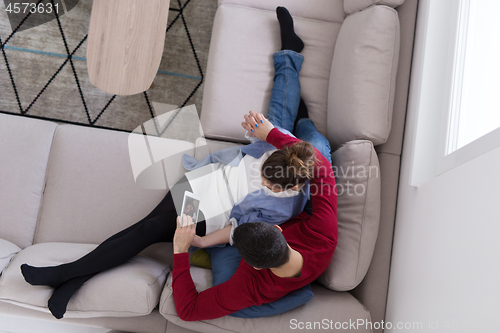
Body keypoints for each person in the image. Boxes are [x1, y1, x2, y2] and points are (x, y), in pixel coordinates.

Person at [19, 7, 324, 320]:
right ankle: (73, 280)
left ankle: (65, 276)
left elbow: (244, 229)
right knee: (144, 227)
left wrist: (203, 241)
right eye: (263, 172)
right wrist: (256, 127)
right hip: (200, 184)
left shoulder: (286, 208)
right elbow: (261, 135)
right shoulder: (276, 146)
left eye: (269, 184)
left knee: (150, 228)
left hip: (211, 215)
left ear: (295, 185)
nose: (262, 180)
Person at [170, 6, 337, 320]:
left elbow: (189, 310)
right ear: (277, 229)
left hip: (281, 214)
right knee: (308, 145)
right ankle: (300, 113)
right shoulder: (323, 234)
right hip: (307, 207)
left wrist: (183, 251)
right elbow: (322, 169)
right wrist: (270, 132)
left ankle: (299, 115)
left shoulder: (252, 285)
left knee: (302, 140)